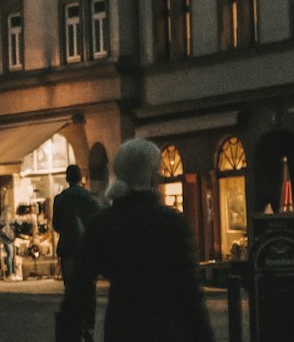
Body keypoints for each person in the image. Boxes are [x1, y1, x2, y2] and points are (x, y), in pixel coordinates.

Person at [58, 139, 214, 342]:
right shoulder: (171, 223)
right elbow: (190, 294)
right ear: (150, 176)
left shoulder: (103, 224)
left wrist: (68, 331)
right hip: (166, 329)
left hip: (122, 327)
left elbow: (78, 289)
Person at [52, 163, 100, 336]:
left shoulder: (60, 199)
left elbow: (56, 225)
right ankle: (89, 324)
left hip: (68, 249)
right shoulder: (90, 199)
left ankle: (74, 322)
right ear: (80, 178)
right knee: (89, 287)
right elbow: (96, 223)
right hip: (86, 250)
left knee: (71, 286)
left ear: (66, 179)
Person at [0, 214, 17, 278]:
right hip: (7, 242)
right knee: (9, 256)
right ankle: (9, 273)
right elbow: (6, 234)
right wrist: (10, 238)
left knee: (10, 256)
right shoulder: (5, 227)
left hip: (8, 242)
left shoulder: (7, 226)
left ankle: (10, 272)